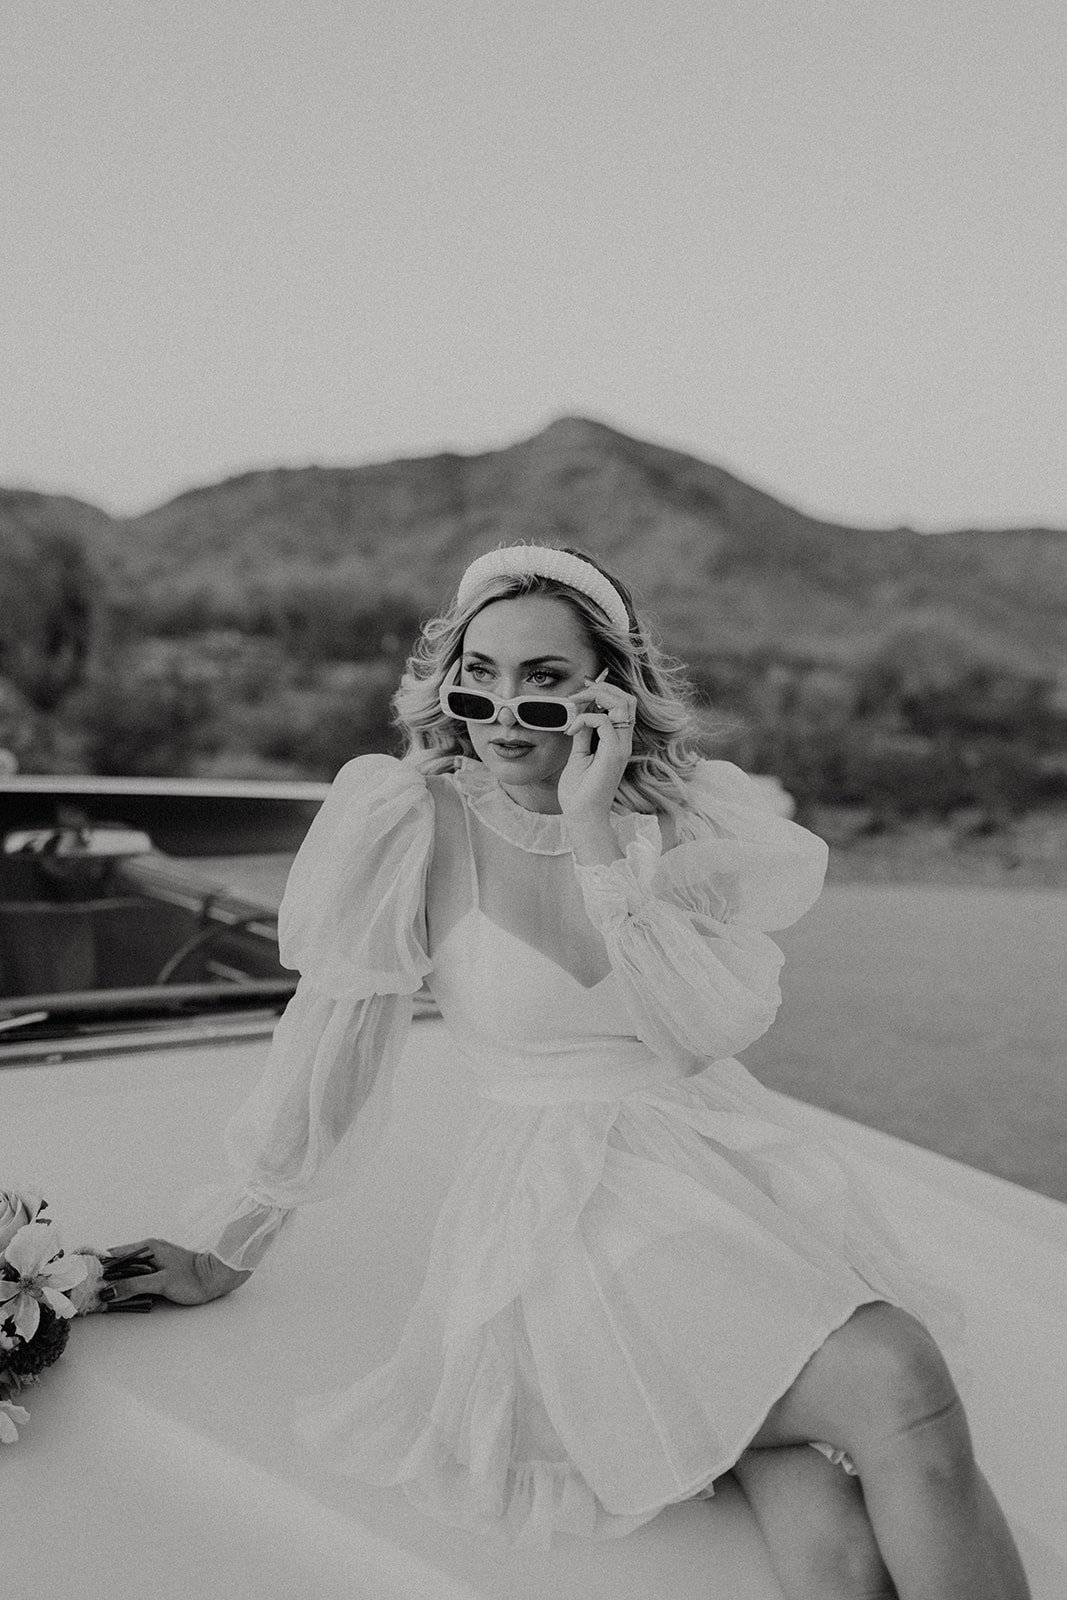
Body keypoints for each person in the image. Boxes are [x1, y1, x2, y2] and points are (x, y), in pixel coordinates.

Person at [103, 544, 1030, 1598]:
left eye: (543, 679)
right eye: (479, 673)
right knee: (897, 1381)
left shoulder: (683, 823)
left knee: (826, 1521)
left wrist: (594, 830)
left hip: (708, 1180)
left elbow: (694, 1033)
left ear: (606, 689)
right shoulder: (411, 817)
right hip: (559, 1218)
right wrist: (228, 1241)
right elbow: (331, 1043)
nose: (503, 709)